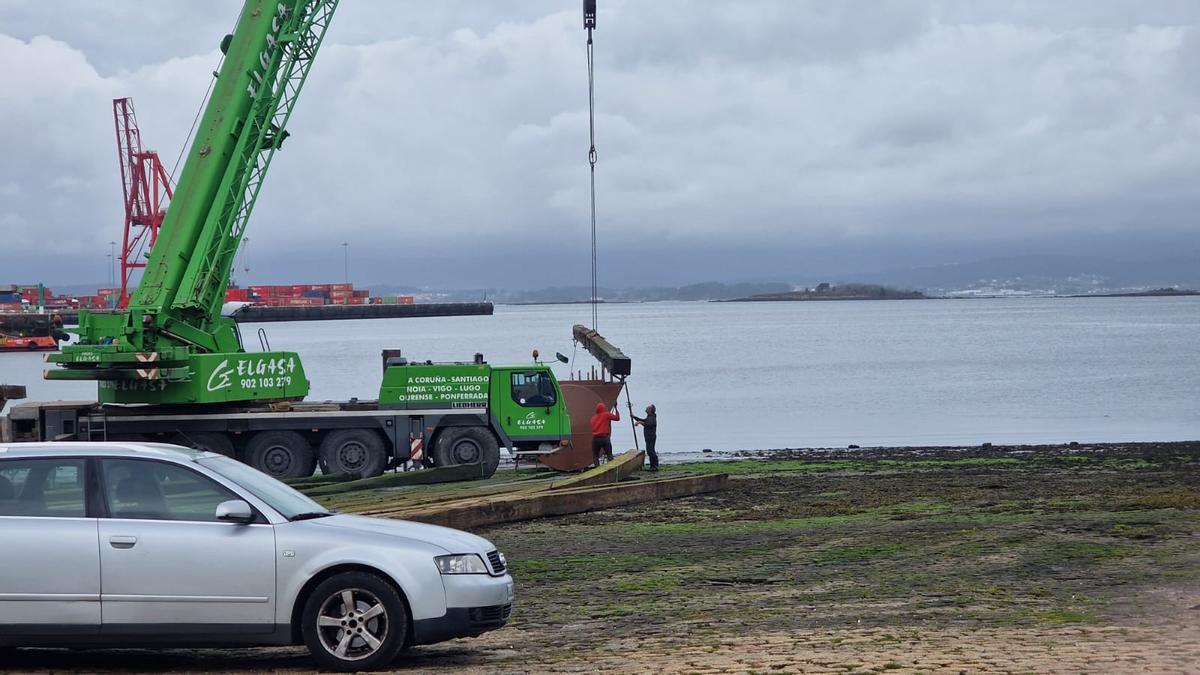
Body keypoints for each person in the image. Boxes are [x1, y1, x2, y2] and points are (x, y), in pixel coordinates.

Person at [633, 404, 658, 471]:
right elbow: (644, 421)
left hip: (651, 437)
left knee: (650, 451)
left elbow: (648, 424)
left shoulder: (652, 418)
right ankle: (653, 466)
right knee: (650, 451)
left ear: (650, 410)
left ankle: (654, 466)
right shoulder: (649, 417)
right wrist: (634, 417)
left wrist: (640, 422)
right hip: (649, 437)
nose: (646, 408)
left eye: (648, 408)